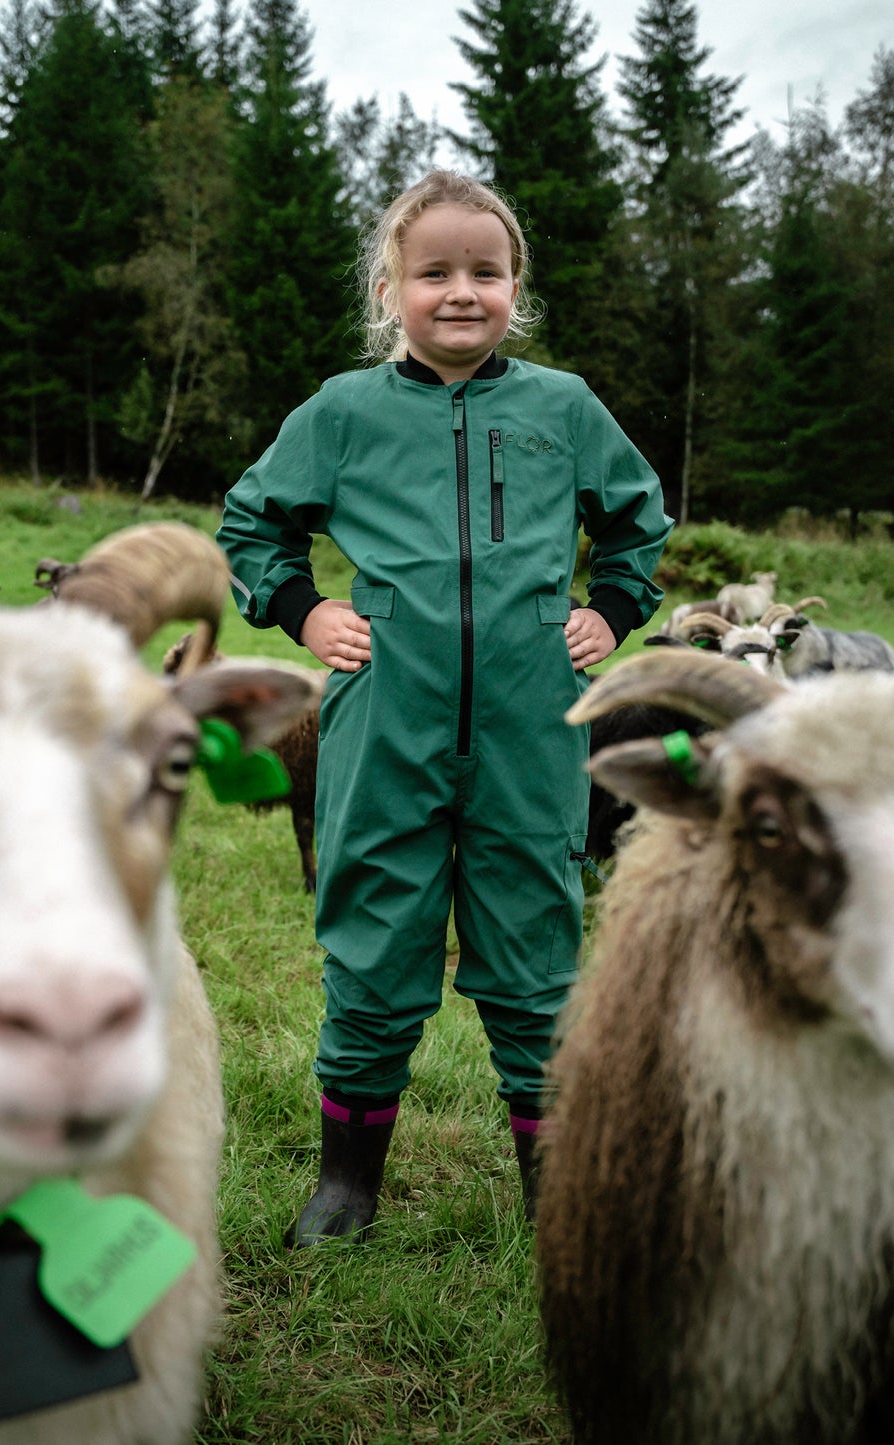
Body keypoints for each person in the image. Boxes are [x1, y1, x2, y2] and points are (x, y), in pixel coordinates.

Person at [216, 169, 672, 1246]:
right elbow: (251, 522)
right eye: (434, 273)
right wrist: (302, 610)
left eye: (486, 270)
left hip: (529, 728)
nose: (460, 291)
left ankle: (555, 1190)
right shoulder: (342, 411)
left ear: (516, 285)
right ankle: (345, 1184)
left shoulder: (561, 407)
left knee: (535, 960)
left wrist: (609, 610)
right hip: (384, 723)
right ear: (391, 290)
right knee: (375, 948)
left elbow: (635, 521)